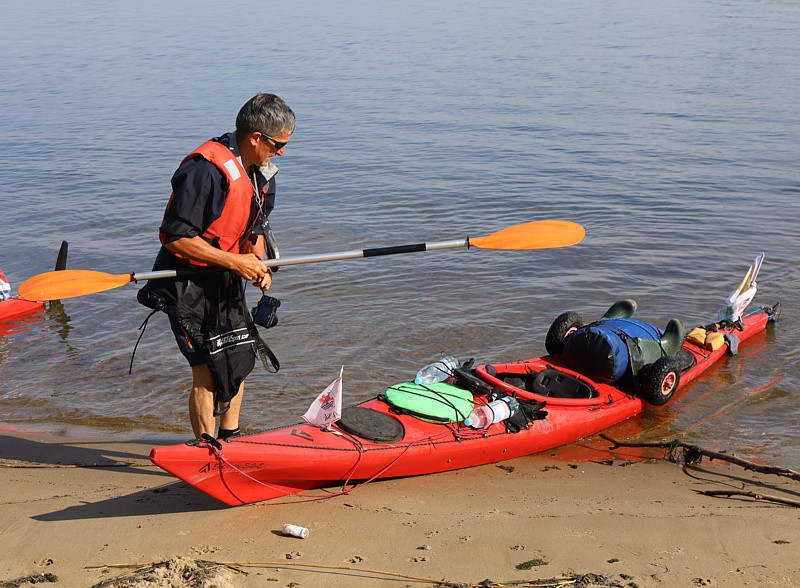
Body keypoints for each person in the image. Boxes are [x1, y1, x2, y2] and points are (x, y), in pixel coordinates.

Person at [137, 93, 295, 441]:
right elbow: (175, 237)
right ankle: (206, 449)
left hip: (225, 278)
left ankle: (230, 439)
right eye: (279, 144)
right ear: (256, 138)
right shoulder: (205, 170)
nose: (282, 152)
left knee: (238, 360)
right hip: (185, 283)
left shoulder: (263, 174)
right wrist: (236, 261)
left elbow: (254, 228)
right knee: (207, 370)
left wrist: (257, 263)